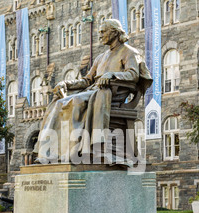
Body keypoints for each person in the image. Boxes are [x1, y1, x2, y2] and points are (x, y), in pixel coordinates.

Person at [34, 19, 152, 164]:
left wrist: (112, 75)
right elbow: (87, 81)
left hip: (111, 96)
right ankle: (49, 153)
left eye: (103, 31)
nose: (100, 35)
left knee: (76, 101)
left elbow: (133, 74)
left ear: (114, 32)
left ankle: (75, 151)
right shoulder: (100, 57)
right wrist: (65, 83)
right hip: (93, 92)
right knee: (59, 103)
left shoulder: (130, 53)